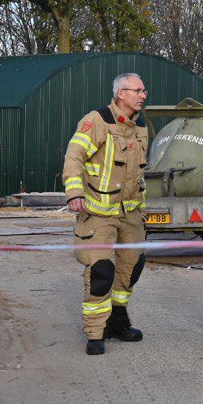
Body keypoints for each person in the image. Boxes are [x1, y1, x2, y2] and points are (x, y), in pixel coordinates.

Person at [61, 73, 151, 355]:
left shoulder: (141, 127)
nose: (143, 95)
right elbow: (74, 155)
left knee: (130, 267)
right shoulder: (97, 120)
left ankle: (117, 319)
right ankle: (95, 332)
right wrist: (74, 192)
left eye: (144, 90)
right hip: (97, 213)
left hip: (131, 213)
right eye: (137, 90)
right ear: (120, 93)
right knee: (101, 271)